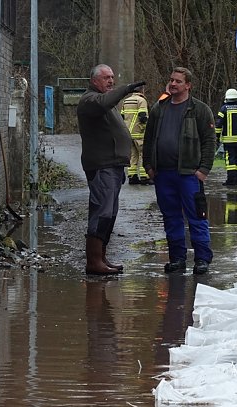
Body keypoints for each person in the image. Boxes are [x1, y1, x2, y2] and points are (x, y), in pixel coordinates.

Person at [142, 67, 217, 275]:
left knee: (196, 217)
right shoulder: (160, 109)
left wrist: (203, 170)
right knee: (171, 217)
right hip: (163, 174)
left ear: (188, 85)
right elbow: (148, 140)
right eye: (171, 80)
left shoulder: (199, 110)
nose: (173, 84)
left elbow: (210, 141)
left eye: (178, 81)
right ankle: (177, 258)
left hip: (189, 174)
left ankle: (202, 259)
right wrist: (148, 166)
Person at [77, 64, 145, 275]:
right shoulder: (90, 100)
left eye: (113, 77)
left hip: (113, 166)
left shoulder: (103, 100)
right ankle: (94, 261)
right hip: (101, 166)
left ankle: (101, 257)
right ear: (94, 80)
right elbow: (105, 102)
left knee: (110, 212)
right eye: (106, 78)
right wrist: (126, 89)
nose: (111, 81)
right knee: (102, 212)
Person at [120, 86, 150, 184]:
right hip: (139, 133)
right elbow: (143, 117)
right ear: (142, 90)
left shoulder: (126, 101)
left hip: (128, 133)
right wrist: (146, 129)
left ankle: (132, 177)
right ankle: (144, 177)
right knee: (143, 154)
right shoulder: (141, 100)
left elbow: (122, 116)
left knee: (133, 155)